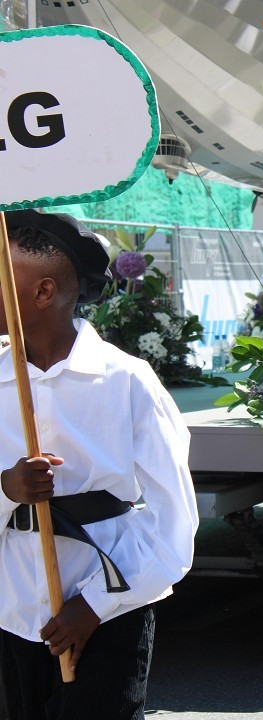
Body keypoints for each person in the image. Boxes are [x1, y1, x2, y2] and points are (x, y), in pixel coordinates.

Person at [0, 210, 198, 719]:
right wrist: (8, 487)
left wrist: (93, 608)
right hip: (13, 612)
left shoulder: (125, 380)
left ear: (44, 292)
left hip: (110, 612)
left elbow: (174, 518)